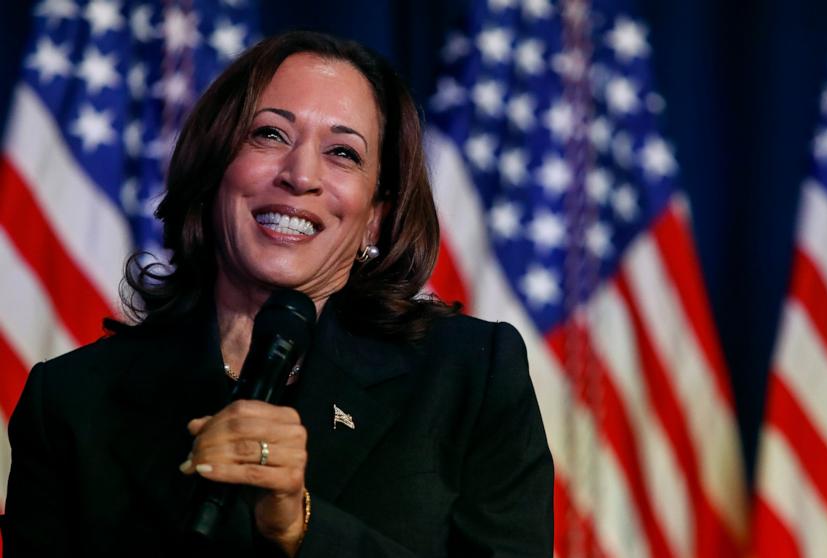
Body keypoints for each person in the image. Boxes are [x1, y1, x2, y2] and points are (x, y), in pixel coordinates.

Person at [3, 31, 553, 557]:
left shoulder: (469, 377)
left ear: (376, 217)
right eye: (269, 134)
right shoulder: (72, 403)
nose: (300, 175)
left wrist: (301, 525)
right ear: (214, 167)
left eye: (343, 153)